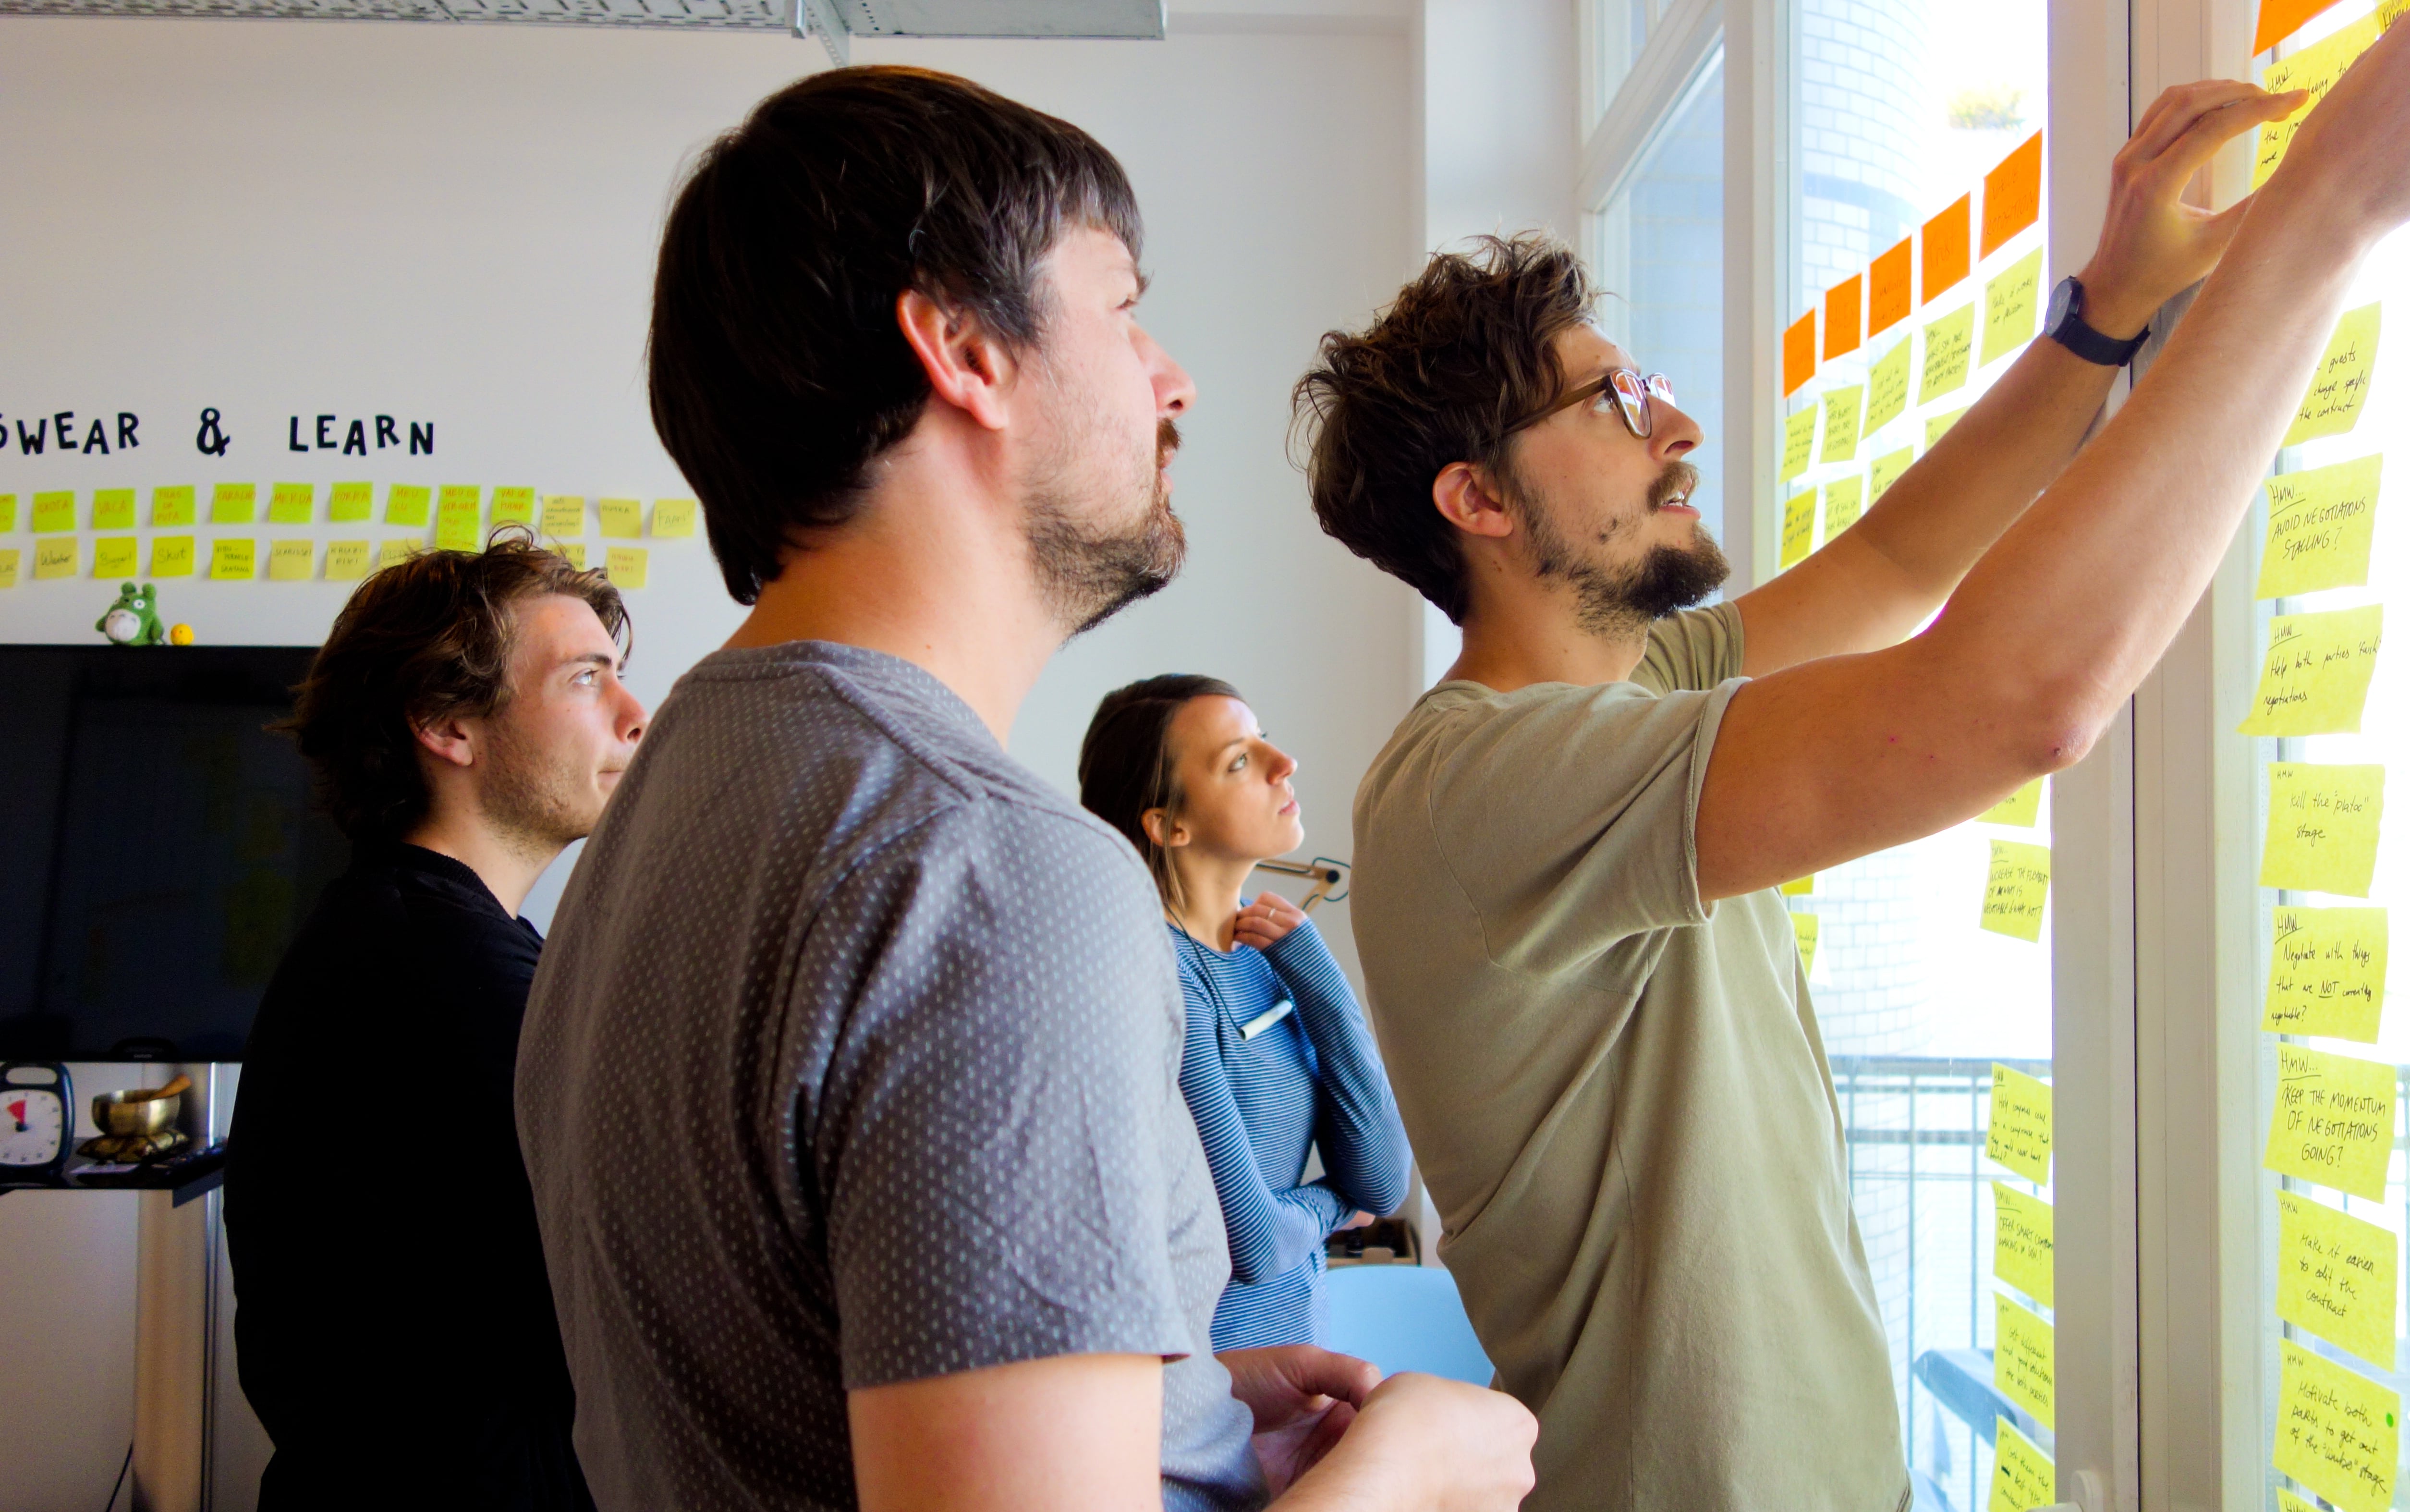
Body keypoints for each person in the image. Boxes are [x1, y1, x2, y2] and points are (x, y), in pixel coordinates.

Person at [1291, 3, 2410, 1505]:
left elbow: (1903, 556)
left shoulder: (1644, 682)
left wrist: (2107, 312)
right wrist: (2332, 213)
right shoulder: (1472, 786)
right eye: (1616, 400)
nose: (1674, 422)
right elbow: (2016, 700)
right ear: (1480, 502)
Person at [512, 66, 1535, 1512]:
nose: (1171, 377)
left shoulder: (676, 790)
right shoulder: (988, 867)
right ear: (964, 352)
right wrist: (1415, 1475)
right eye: (1123, 310)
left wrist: (1168, 1399)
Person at [226, 532, 645, 1511]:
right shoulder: (438, 966)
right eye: (588, 680)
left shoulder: (412, 932)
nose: (636, 715)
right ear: (447, 724)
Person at [1079, 675, 1412, 1350]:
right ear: (1169, 825)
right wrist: (1339, 1204)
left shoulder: (1271, 957)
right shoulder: (1164, 980)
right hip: (1220, 1392)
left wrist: (1318, 978)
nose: (1282, 763)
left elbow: (1386, 1177)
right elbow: (1255, 1243)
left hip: (1302, 1360)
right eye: (1240, 761)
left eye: (1263, 739)